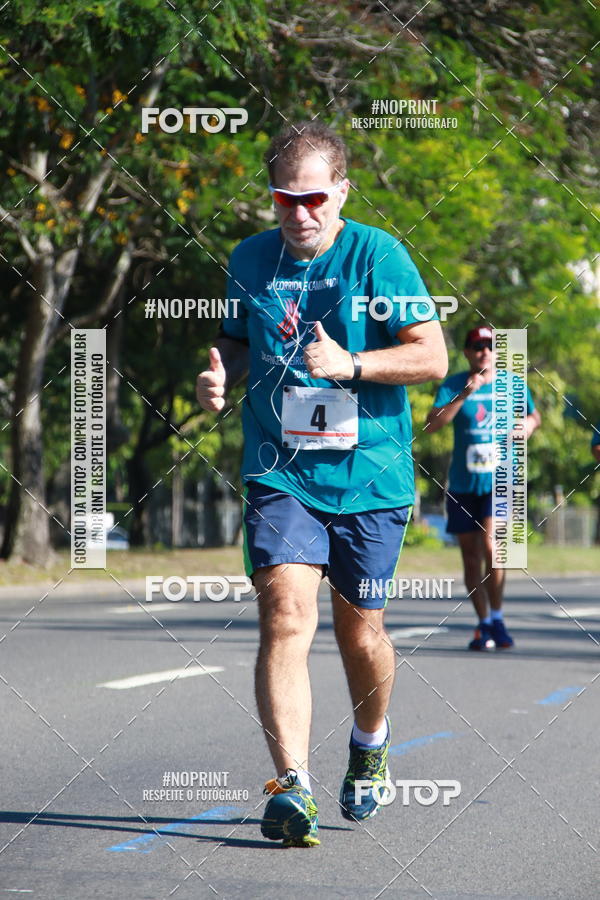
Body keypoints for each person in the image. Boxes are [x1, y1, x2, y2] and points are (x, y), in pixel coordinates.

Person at [196, 121, 447, 847]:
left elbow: (430, 356)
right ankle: (291, 788)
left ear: (341, 191)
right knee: (284, 614)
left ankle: (371, 741)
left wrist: (354, 366)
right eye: (284, 199)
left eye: (313, 198)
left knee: (359, 634)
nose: (299, 214)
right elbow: (236, 343)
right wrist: (221, 375)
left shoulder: (380, 256)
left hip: (370, 475)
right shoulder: (249, 259)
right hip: (281, 471)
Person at [425, 326, 541, 651]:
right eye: (477, 346)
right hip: (463, 484)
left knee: (492, 547)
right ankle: (484, 623)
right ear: (466, 352)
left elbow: (534, 415)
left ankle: (499, 616)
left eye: (490, 346)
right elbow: (431, 424)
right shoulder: (452, 384)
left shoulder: (513, 384)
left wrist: (528, 425)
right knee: (470, 557)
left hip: (499, 481)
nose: (484, 352)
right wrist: (463, 394)